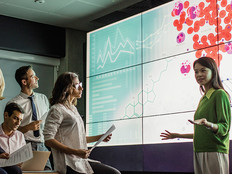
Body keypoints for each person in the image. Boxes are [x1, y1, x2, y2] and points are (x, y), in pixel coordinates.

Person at [160, 57, 231, 174]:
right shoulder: (203, 98)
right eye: (196, 72)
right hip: (199, 151)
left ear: (213, 72)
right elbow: (202, 133)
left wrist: (208, 124)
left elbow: (224, 128)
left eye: (203, 70)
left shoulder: (220, 94)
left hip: (214, 151)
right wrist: (177, 135)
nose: (199, 74)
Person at [43, 72, 121, 174]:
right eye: (77, 85)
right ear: (67, 88)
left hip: (80, 161)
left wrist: (100, 137)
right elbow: (48, 140)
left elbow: (78, 138)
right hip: (68, 163)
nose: (81, 88)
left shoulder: (73, 109)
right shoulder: (56, 110)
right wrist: (76, 152)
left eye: (81, 84)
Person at [8, 65, 51, 170]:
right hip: (25, 145)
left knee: (49, 172)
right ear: (24, 82)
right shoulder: (13, 103)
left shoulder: (43, 99)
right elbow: (9, 132)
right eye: (33, 76)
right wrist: (28, 127)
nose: (37, 78)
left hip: (43, 145)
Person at [0, 102, 26, 174]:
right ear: (6, 115)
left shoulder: (20, 136)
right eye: (15, 118)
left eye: (20, 120)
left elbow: (24, 158)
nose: (18, 123)